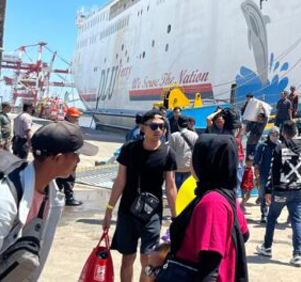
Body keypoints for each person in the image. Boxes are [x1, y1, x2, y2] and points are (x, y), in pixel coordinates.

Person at [0, 121, 99, 281]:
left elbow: (33, 256)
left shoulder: (52, 195)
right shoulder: (0, 205)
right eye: (75, 155)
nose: (78, 160)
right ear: (58, 159)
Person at [103, 109, 179, 282]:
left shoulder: (168, 154)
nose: (158, 130)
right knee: (127, 258)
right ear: (143, 128)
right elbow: (120, 181)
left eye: (162, 126)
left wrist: (176, 217)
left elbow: (171, 186)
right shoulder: (129, 149)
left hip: (152, 214)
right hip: (127, 211)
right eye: (154, 126)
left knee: (148, 259)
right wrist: (109, 209)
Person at [162, 134, 249, 282]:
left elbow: (210, 265)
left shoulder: (212, 202)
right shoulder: (227, 195)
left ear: (206, 162)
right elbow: (244, 234)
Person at [255, 120, 301, 266]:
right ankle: (297, 254)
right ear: (296, 132)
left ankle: (267, 247)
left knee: (271, 218)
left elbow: (273, 171)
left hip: (280, 191)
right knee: (296, 221)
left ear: (283, 133)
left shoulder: (279, 148)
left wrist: (267, 191)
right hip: (298, 191)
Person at [56, 107, 85, 206]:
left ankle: (55, 197)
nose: (76, 119)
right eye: (74, 117)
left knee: (59, 176)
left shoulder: (61, 125)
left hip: (63, 156)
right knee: (69, 177)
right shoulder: (68, 127)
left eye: (77, 117)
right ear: (68, 115)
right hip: (67, 155)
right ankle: (69, 198)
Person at [253, 128, 279, 223]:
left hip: (276, 175)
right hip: (264, 174)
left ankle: (273, 215)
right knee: (264, 194)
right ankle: (264, 214)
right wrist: (257, 172)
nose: (275, 136)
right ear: (269, 134)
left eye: (277, 135)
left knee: (275, 195)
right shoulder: (262, 146)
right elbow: (256, 160)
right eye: (273, 134)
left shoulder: (280, 145)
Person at [168, 115, 199, 189]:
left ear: (178, 124)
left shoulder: (173, 136)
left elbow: (170, 153)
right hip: (189, 167)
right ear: (187, 124)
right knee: (187, 189)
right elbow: (196, 152)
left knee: (177, 189)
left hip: (177, 168)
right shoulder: (194, 135)